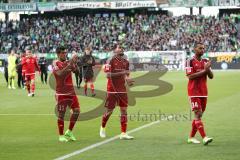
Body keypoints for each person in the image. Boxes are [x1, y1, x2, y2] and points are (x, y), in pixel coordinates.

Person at [100, 44, 135, 140]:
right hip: (112, 90)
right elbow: (108, 75)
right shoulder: (110, 61)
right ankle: (103, 127)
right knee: (109, 111)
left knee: (124, 110)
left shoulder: (126, 62)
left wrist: (128, 80)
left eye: (122, 47)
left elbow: (126, 75)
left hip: (122, 90)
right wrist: (122, 73)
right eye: (119, 47)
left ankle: (123, 133)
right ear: (114, 50)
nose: (121, 48)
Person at [186, 42, 214, 145]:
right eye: (200, 48)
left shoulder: (206, 61)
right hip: (193, 91)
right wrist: (204, 71)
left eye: (203, 48)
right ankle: (204, 137)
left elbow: (211, 76)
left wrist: (208, 69)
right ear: (194, 49)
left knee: (199, 116)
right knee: (197, 114)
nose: (202, 50)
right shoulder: (189, 61)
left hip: (203, 92)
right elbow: (190, 76)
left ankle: (191, 137)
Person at [52, 46, 80, 142]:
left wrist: (75, 64)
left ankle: (69, 131)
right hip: (61, 93)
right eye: (63, 53)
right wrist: (69, 64)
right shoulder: (55, 63)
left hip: (71, 92)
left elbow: (77, 72)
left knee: (77, 111)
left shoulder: (69, 62)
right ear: (58, 54)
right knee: (62, 114)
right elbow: (59, 75)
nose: (65, 54)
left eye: (66, 52)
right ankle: (61, 135)